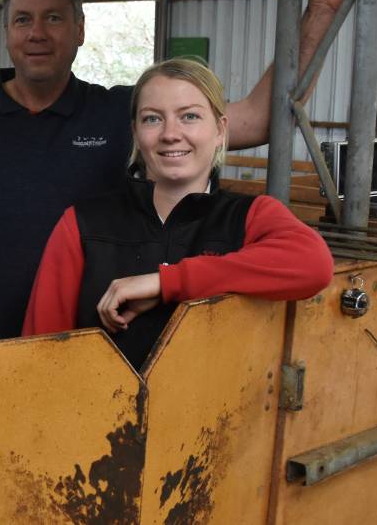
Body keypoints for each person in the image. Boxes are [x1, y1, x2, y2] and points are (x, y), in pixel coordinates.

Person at [0, 0, 361, 347]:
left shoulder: (123, 112)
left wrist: (320, 6)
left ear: (80, 30)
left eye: (54, 18)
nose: (37, 33)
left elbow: (257, 118)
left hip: (87, 348)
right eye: (23, 20)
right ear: (6, 31)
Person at [22, 58, 333, 368]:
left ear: (220, 130)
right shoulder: (83, 224)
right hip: (98, 412)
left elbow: (315, 265)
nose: (171, 133)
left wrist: (165, 282)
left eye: (190, 116)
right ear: (135, 132)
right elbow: (40, 351)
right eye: (152, 119)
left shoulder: (250, 215)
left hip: (218, 414)